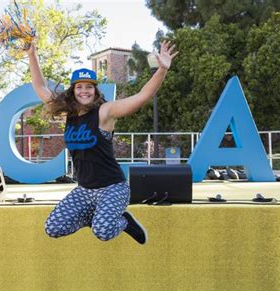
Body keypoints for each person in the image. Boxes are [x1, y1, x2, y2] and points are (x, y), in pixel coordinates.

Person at [25, 40, 178, 245]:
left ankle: (123, 221)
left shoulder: (105, 112)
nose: (84, 91)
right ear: (73, 91)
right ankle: (97, 217)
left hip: (113, 188)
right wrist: (32, 55)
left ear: (96, 91)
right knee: (53, 227)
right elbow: (40, 86)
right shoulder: (68, 114)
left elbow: (142, 96)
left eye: (89, 87)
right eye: (79, 87)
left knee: (104, 232)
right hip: (85, 190)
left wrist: (162, 69)